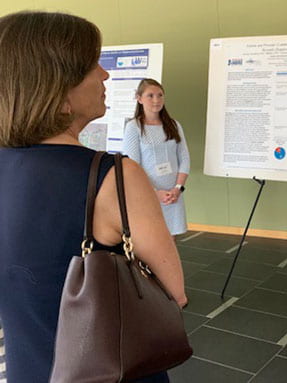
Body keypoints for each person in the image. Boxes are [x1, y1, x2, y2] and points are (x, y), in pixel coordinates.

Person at [0, 11, 187, 382]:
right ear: (58, 88)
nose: (105, 74)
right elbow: (173, 294)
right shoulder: (114, 176)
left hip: (29, 368)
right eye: (92, 64)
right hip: (110, 367)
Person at [123, 79, 190, 239]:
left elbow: (184, 158)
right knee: (150, 242)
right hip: (147, 194)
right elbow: (133, 167)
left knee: (170, 242)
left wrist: (177, 188)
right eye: (150, 95)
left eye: (160, 95)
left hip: (173, 196)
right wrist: (154, 193)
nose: (156, 100)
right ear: (139, 98)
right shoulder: (134, 127)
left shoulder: (174, 125)